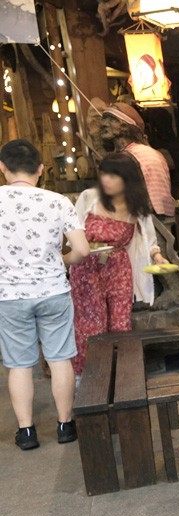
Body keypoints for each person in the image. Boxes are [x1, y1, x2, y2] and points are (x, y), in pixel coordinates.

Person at [0, 140, 90, 450]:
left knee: (19, 364)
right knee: (60, 358)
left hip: (9, 295)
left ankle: (26, 432)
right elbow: (81, 249)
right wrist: (60, 262)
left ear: (2, 168)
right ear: (41, 169)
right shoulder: (58, 201)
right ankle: (65, 426)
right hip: (53, 290)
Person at [70, 152, 167, 378]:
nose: (106, 180)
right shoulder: (88, 197)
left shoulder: (137, 207)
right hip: (87, 268)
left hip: (118, 268)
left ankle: (123, 377)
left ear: (128, 179)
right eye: (104, 173)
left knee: (121, 324)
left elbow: (149, 242)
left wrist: (158, 258)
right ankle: (89, 380)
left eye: (113, 175)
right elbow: (71, 234)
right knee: (91, 326)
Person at [98, 101, 175, 217]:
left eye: (112, 120)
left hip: (146, 220)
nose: (104, 124)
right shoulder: (132, 154)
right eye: (104, 119)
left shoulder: (139, 155)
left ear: (125, 126)